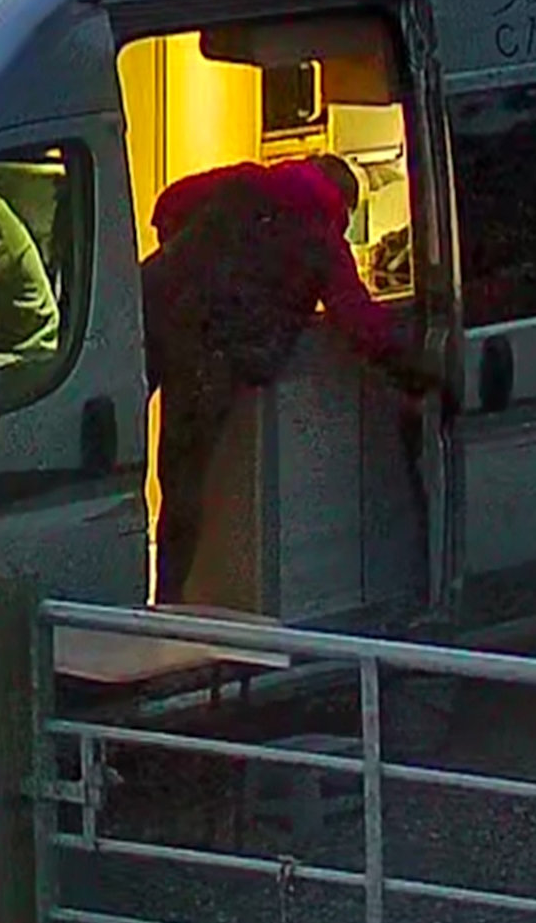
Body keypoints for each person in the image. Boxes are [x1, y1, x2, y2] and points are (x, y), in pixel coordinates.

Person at [140, 153, 423, 599]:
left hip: (152, 307)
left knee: (111, 449)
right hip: (209, 346)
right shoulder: (319, 233)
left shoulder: (248, 179)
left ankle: (114, 588)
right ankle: (163, 604)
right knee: (181, 483)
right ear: (344, 207)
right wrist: (416, 374)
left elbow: (168, 204)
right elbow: (360, 323)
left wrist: (192, 253)